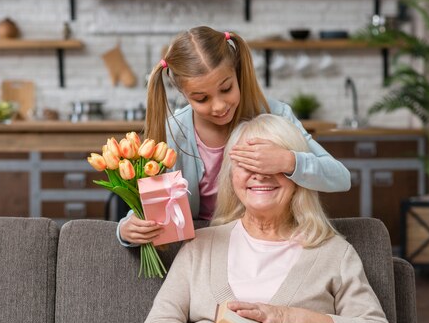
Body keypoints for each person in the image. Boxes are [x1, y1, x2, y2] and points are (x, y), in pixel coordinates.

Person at [139, 114, 393, 323]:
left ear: (298, 175)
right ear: (232, 175)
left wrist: (294, 319)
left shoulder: (334, 252)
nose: (260, 175)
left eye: (272, 165)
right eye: (247, 164)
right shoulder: (200, 246)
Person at [118, 26, 350, 245]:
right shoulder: (174, 132)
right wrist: (126, 228)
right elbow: (153, 207)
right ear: (183, 93)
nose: (218, 106)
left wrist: (288, 161)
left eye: (226, 88)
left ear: (237, 73)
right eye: (201, 99)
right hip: (209, 247)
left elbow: (340, 178)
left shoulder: (275, 114)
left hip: (270, 239)